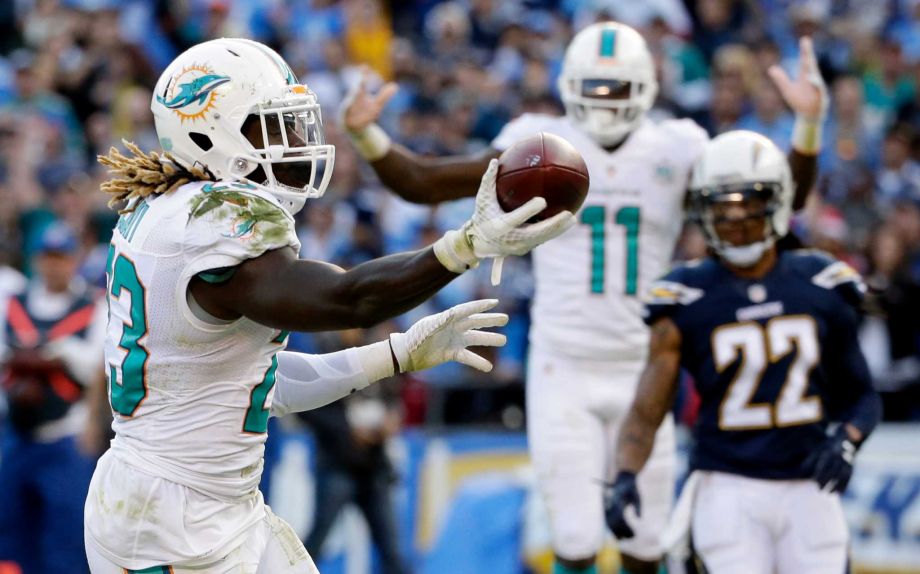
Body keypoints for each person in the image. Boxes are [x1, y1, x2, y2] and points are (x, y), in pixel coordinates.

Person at [341, 21, 827, 574]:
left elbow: (779, 203)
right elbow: (425, 181)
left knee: (646, 546)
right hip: (562, 367)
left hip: (647, 369)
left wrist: (808, 125)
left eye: (615, 89)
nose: (603, 102)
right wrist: (367, 135)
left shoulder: (677, 146)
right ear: (569, 84)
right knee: (573, 542)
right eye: (593, 88)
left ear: (645, 87)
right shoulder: (543, 145)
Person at [83, 37, 575, 573]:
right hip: (170, 523)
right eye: (270, 124)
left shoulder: (173, 213)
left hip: (204, 505)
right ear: (208, 132)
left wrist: (397, 354)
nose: (293, 140)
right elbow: (348, 299)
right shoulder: (210, 224)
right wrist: (464, 246)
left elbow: (253, 383)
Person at [605, 131, 882, 574]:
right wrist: (624, 475)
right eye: (722, 205)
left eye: (747, 202)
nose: (734, 218)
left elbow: (863, 395)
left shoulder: (821, 282)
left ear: (776, 201)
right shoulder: (685, 294)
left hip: (809, 483)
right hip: (727, 484)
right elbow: (647, 407)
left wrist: (846, 441)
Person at [0, 223, 106, 574]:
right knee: (12, 532)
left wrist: (57, 354)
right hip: (16, 433)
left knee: (65, 536)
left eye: (61, 257)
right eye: (48, 257)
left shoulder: (91, 307)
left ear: (74, 259)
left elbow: (97, 368)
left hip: (64, 434)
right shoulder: (15, 302)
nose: (54, 265)